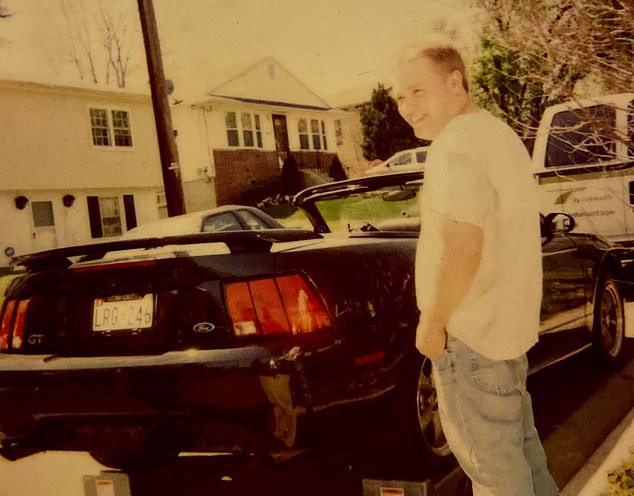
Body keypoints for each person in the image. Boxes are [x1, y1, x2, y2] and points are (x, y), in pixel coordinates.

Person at [393, 38, 559, 495]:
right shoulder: (496, 134)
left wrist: (433, 321)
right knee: (525, 463)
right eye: (400, 97)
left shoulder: (456, 146)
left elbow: (464, 246)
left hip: (470, 340)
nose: (407, 107)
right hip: (504, 337)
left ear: (455, 84)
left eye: (418, 91)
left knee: (496, 479)